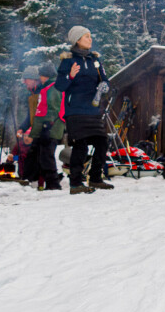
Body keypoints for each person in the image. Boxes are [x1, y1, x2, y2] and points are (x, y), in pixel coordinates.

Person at [55, 26, 113, 194]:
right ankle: (75, 183)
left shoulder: (95, 60)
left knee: (102, 142)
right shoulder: (67, 60)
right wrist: (70, 75)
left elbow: (105, 80)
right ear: (78, 40)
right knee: (80, 147)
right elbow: (60, 85)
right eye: (87, 36)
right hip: (75, 110)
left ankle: (95, 178)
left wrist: (105, 86)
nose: (90, 39)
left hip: (93, 110)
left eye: (90, 36)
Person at [29, 63, 65, 191]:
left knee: (47, 155)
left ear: (46, 75)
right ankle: (49, 182)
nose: (40, 78)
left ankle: (54, 184)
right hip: (49, 126)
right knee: (43, 155)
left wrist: (47, 124)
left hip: (51, 126)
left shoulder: (53, 87)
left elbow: (53, 108)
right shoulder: (49, 87)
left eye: (41, 75)